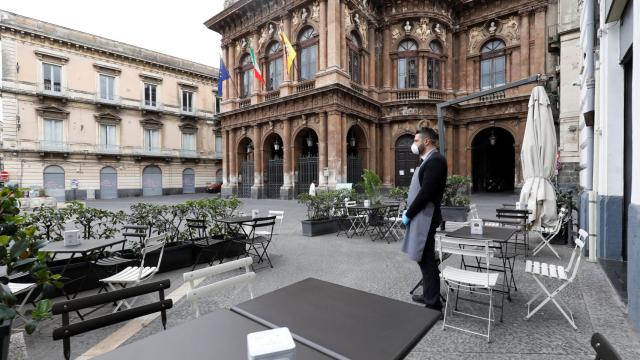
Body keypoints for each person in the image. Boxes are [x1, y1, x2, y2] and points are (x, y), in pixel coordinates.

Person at [401, 127, 448, 313]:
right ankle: (430, 294)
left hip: (426, 217)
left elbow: (426, 193)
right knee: (424, 258)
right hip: (423, 216)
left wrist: (409, 213)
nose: (413, 144)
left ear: (426, 141)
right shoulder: (428, 160)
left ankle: (433, 303)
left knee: (426, 258)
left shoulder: (436, 160)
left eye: (415, 140)